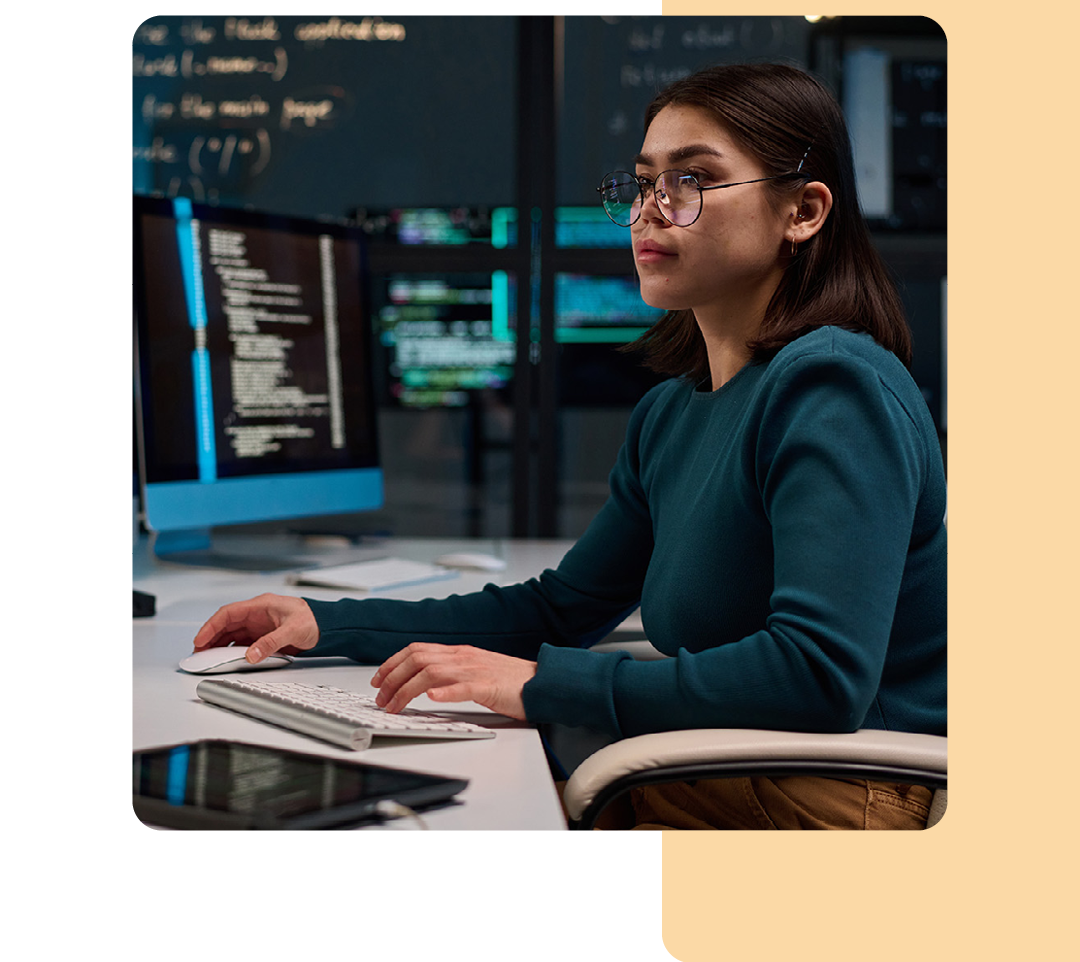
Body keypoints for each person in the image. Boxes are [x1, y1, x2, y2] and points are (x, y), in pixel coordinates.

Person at [193, 63, 946, 830]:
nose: (650, 211)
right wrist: (327, 625)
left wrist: (535, 685)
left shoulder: (835, 389)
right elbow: (559, 610)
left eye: (691, 181)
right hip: (738, 766)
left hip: (837, 797)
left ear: (804, 211)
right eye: (644, 183)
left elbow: (817, 676)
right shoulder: (673, 413)